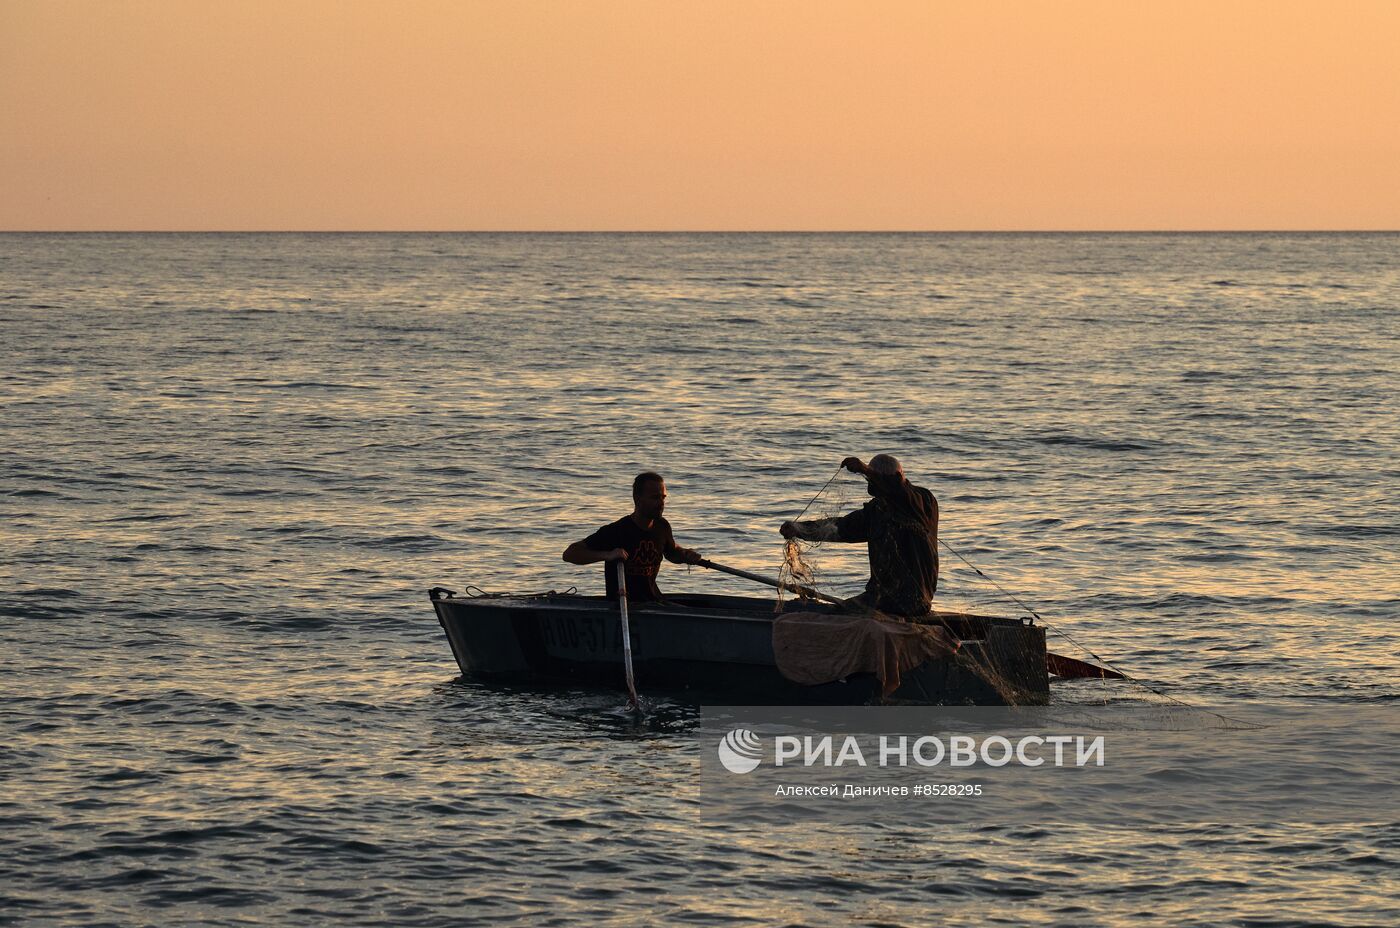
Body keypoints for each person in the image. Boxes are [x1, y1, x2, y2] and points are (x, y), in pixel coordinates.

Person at [779, 455, 938, 618]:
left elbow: (900, 492)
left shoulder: (923, 501)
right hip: (880, 597)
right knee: (836, 613)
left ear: (897, 478)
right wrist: (799, 529)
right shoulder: (876, 511)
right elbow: (840, 527)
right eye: (868, 479)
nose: (870, 482)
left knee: (837, 617)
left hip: (912, 599)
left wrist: (865, 469)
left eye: (873, 478)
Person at [563, 472, 703, 602]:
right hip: (624, 605)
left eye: (663, 497)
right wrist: (607, 555)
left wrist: (686, 555)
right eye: (655, 497)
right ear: (638, 499)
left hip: (653, 602)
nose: (661, 503)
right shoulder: (616, 531)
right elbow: (570, 554)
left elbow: (671, 552)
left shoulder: (662, 526)